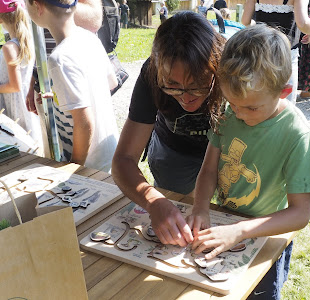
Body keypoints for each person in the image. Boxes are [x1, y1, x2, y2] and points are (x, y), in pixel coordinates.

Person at [186, 25, 310, 299]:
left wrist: (239, 231)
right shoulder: (229, 112)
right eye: (232, 103)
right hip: (226, 226)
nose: (239, 113)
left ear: (284, 92)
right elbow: (209, 170)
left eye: (251, 107)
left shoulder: (296, 134)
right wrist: (200, 208)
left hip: (265, 237)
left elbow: (300, 214)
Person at [112, 11, 225, 247]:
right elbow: (123, 159)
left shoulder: (232, 68)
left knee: (229, 223)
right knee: (177, 225)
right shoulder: (151, 73)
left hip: (229, 151)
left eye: (197, 87)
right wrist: (153, 201)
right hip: (174, 152)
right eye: (172, 86)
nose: (186, 99)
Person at [25, 0, 119, 173]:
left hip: (89, 164)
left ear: (38, 7)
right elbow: (111, 82)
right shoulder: (90, 38)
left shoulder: (59, 59)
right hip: (109, 154)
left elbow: (84, 123)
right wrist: (59, 96)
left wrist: (74, 168)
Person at [241, 0, 310, 105]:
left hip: (261, 48)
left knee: (261, 93)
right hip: (285, 50)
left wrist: (257, 26)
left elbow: (245, 21)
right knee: (286, 99)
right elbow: (302, 22)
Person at [0, 0, 42, 143]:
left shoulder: (9, 47)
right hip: (24, 100)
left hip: (15, 103)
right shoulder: (27, 41)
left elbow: (14, 85)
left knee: (18, 141)